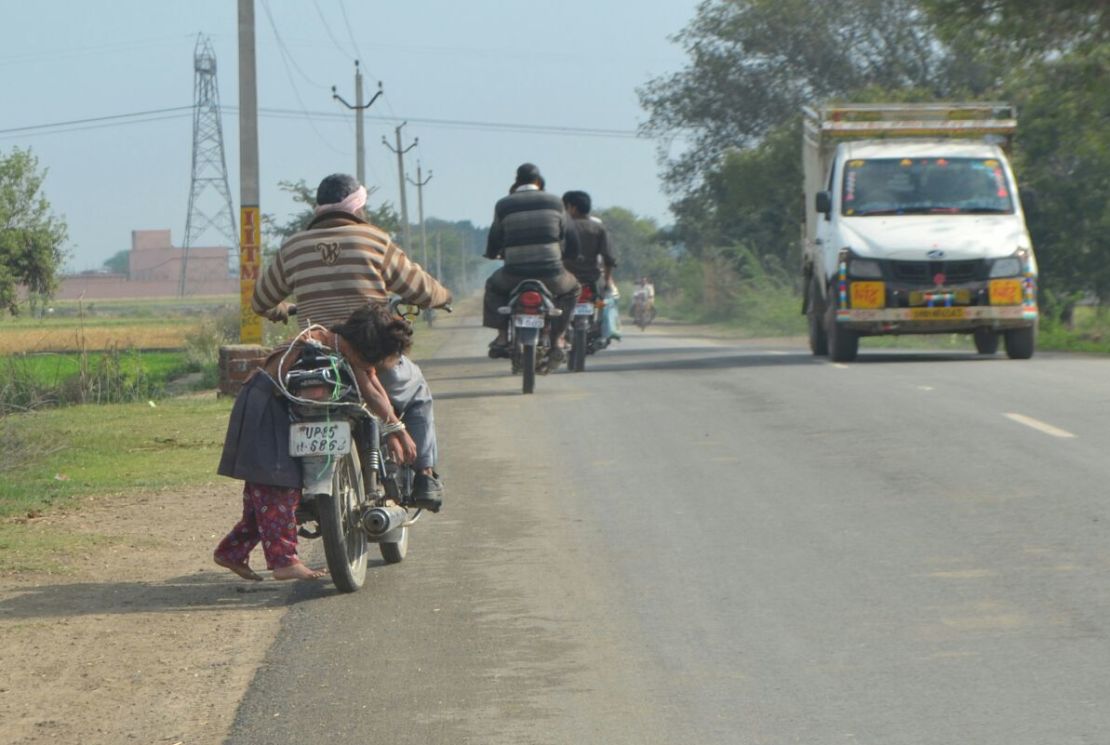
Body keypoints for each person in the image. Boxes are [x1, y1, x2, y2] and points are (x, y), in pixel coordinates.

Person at [251, 173, 452, 510]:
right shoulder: (374, 240)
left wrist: (281, 310)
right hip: (370, 354)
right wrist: (442, 295)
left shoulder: (294, 247)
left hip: (312, 361)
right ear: (358, 206)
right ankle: (424, 475)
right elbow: (418, 287)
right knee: (417, 393)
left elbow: (260, 300)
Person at [214, 303, 414, 582]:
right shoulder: (317, 343)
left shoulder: (342, 348)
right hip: (265, 408)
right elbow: (369, 387)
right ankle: (284, 562)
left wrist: (396, 426)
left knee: (262, 500)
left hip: (281, 411)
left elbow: (371, 382)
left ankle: (232, 552)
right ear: (363, 347)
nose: (372, 366)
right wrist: (396, 429)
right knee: (278, 487)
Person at [483, 163, 580, 364]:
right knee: (573, 289)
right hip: (552, 273)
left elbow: (495, 238)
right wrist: (569, 254)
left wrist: (493, 254)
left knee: (493, 286)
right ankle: (558, 338)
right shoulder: (556, 202)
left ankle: (502, 337)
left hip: (513, 274)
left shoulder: (503, 205)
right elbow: (569, 235)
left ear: (516, 181)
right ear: (538, 182)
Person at [561, 190, 616, 295]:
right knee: (602, 302)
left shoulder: (564, 228)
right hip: (592, 280)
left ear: (573, 208)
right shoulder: (599, 228)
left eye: (566, 208)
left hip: (567, 280)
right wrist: (607, 280)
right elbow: (609, 258)